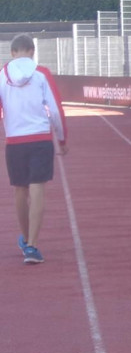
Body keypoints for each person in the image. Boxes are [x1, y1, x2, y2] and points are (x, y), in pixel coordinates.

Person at [1, 34, 68, 265]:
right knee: (37, 187)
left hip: (14, 140)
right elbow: (56, 109)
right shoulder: (42, 74)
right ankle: (32, 245)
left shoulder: (2, 75)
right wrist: (62, 139)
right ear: (32, 51)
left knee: (20, 190)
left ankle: (26, 239)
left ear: (12, 52)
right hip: (39, 139)